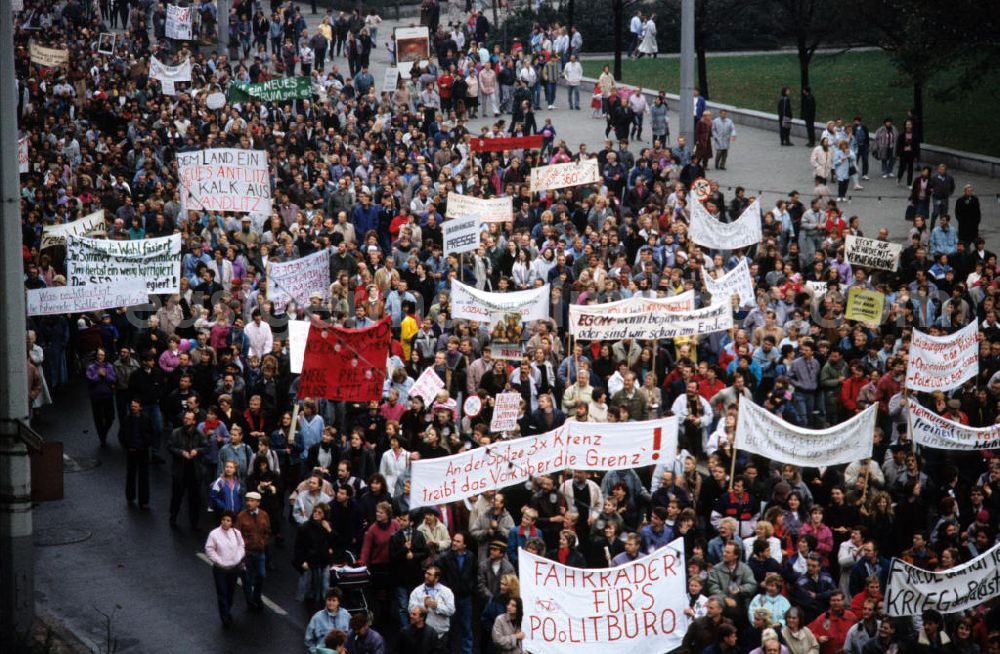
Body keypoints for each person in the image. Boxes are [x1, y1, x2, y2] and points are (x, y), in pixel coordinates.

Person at [204, 511, 245, 627]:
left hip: (233, 568)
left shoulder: (236, 533)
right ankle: (225, 616)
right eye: (223, 520)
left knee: (230, 592)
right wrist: (219, 561)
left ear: (232, 522)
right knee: (222, 592)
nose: (225, 523)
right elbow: (209, 549)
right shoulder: (214, 534)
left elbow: (241, 546)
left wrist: (238, 558)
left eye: (228, 520)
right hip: (220, 570)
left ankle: (227, 610)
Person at [168, 410, 208, 530]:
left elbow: (206, 447)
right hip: (180, 471)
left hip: (194, 472)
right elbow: (170, 447)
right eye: (185, 418)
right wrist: (181, 452)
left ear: (194, 421)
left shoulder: (200, 434)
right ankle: (173, 517)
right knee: (176, 497)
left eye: (189, 419)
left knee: (194, 499)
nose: (186, 420)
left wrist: (197, 451)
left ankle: (194, 523)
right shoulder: (176, 433)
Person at [235, 491, 271, 611]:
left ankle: (256, 596)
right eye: (247, 500)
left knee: (261, 575)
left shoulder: (264, 515)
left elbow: (267, 531)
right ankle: (250, 601)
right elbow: (237, 534)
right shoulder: (241, 516)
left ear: (258, 503)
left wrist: (263, 542)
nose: (248, 503)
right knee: (247, 578)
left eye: (252, 501)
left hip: (260, 551)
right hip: (246, 553)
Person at [119, 398, 153, 509]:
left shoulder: (145, 419)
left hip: (142, 450)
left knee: (143, 476)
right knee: (131, 474)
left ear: (140, 407)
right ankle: (131, 496)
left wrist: (145, 444)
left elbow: (150, 434)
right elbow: (121, 434)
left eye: (135, 406)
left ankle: (143, 500)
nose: (133, 408)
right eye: (132, 406)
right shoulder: (127, 420)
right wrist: (128, 446)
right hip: (132, 450)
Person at [409, 565, 456, 639]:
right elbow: (410, 609)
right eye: (426, 573)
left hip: (441, 633)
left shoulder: (446, 591)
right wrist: (424, 606)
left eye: (429, 574)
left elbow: (451, 610)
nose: (426, 576)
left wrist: (437, 606)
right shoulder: (417, 591)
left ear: (436, 578)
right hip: (422, 633)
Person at [85, 348, 117, 445]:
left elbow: (113, 379)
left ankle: (104, 432)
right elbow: (90, 379)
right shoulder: (91, 367)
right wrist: (98, 375)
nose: (100, 357)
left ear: (105, 356)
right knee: (98, 418)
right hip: (96, 397)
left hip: (108, 396)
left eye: (102, 355)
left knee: (110, 417)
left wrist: (105, 374)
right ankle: (102, 437)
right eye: (99, 354)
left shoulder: (110, 367)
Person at [305, 588, 352, 653]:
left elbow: (352, 634)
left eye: (334, 600)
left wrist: (346, 649)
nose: (331, 603)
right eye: (329, 600)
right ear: (325, 600)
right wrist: (317, 652)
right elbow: (308, 639)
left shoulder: (346, 615)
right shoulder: (317, 617)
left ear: (338, 602)